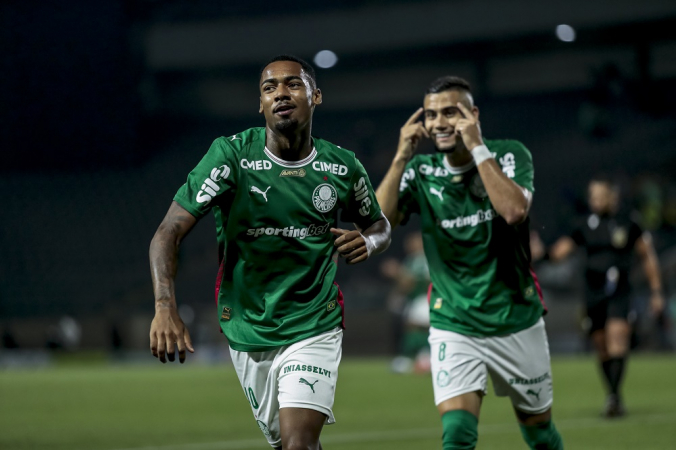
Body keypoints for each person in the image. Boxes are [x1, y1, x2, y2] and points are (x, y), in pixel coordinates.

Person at [148, 54, 391, 450]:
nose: (280, 93)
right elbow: (168, 232)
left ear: (316, 96)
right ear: (260, 104)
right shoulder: (231, 157)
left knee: (298, 444)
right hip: (248, 326)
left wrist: (369, 241)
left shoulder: (343, 167)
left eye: (293, 84)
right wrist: (164, 306)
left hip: (314, 320)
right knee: (283, 443)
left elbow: (379, 226)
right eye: (269, 87)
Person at [376, 76, 563, 449]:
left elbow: (514, 211)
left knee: (540, 433)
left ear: (473, 115)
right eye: (431, 115)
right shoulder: (422, 171)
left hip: (514, 316)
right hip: (454, 320)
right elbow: (377, 224)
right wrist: (400, 158)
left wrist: (477, 146)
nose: (439, 123)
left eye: (450, 112)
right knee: (458, 435)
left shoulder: (508, 154)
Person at [543, 175, 665, 417]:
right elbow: (560, 251)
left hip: (619, 290)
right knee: (601, 345)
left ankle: (614, 397)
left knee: (617, 337)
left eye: (600, 195)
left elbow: (647, 255)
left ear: (612, 196)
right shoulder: (584, 224)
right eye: (592, 196)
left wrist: (656, 291)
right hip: (593, 292)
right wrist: (540, 253)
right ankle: (612, 394)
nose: (595, 200)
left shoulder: (628, 222)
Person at [380, 232, 431, 373]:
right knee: (412, 327)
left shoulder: (424, 259)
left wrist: (398, 272)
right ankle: (422, 356)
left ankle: (420, 357)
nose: (410, 245)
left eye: (414, 242)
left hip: (426, 298)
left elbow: (414, 281)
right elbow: (404, 285)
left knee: (416, 326)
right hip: (415, 300)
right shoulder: (412, 259)